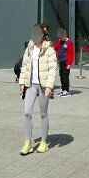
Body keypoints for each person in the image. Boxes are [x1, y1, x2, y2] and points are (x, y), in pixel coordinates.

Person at [18, 25, 58, 155]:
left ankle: (44, 142)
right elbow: (24, 66)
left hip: (43, 85)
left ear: (42, 34)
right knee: (27, 113)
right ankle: (28, 143)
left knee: (43, 114)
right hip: (31, 85)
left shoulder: (49, 50)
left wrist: (49, 86)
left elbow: (53, 69)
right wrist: (22, 82)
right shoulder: (29, 48)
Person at [53, 27, 75, 97]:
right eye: (60, 38)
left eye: (62, 37)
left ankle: (67, 91)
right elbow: (55, 47)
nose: (61, 39)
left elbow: (71, 54)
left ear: (65, 35)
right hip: (61, 61)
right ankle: (63, 89)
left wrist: (69, 63)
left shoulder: (69, 43)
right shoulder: (60, 41)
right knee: (61, 75)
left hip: (66, 61)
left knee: (65, 76)